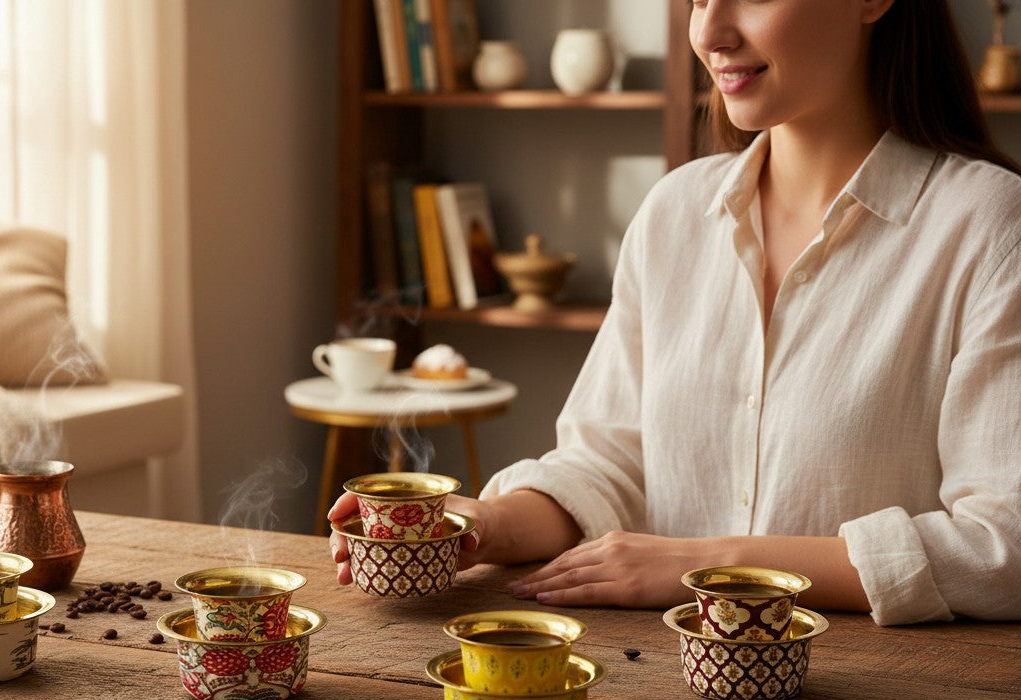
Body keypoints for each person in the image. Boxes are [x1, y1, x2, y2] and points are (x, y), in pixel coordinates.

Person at [329, 0, 1021, 626]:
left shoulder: (989, 226)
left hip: (880, 698)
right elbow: (611, 461)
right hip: (657, 685)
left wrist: (706, 565)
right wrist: (483, 525)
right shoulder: (674, 212)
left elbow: (1004, 544)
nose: (710, 32)